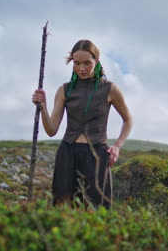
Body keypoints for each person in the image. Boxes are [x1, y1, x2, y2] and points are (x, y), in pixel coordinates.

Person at [32, 39, 132, 208]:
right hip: (67, 154)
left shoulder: (110, 89)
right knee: (63, 211)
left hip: (97, 156)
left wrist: (117, 145)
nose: (82, 68)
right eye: (77, 63)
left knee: (96, 211)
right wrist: (42, 107)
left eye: (87, 63)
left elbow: (128, 119)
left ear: (97, 61)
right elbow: (51, 130)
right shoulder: (65, 90)